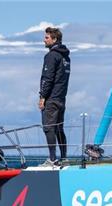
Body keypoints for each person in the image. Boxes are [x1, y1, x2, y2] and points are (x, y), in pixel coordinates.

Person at [38, 27, 71, 166]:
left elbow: (48, 78)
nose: (44, 40)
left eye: (46, 37)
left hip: (51, 99)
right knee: (59, 129)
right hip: (61, 98)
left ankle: (52, 159)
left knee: (49, 127)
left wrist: (42, 97)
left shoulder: (51, 56)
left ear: (54, 39)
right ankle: (64, 158)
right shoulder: (66, 57)